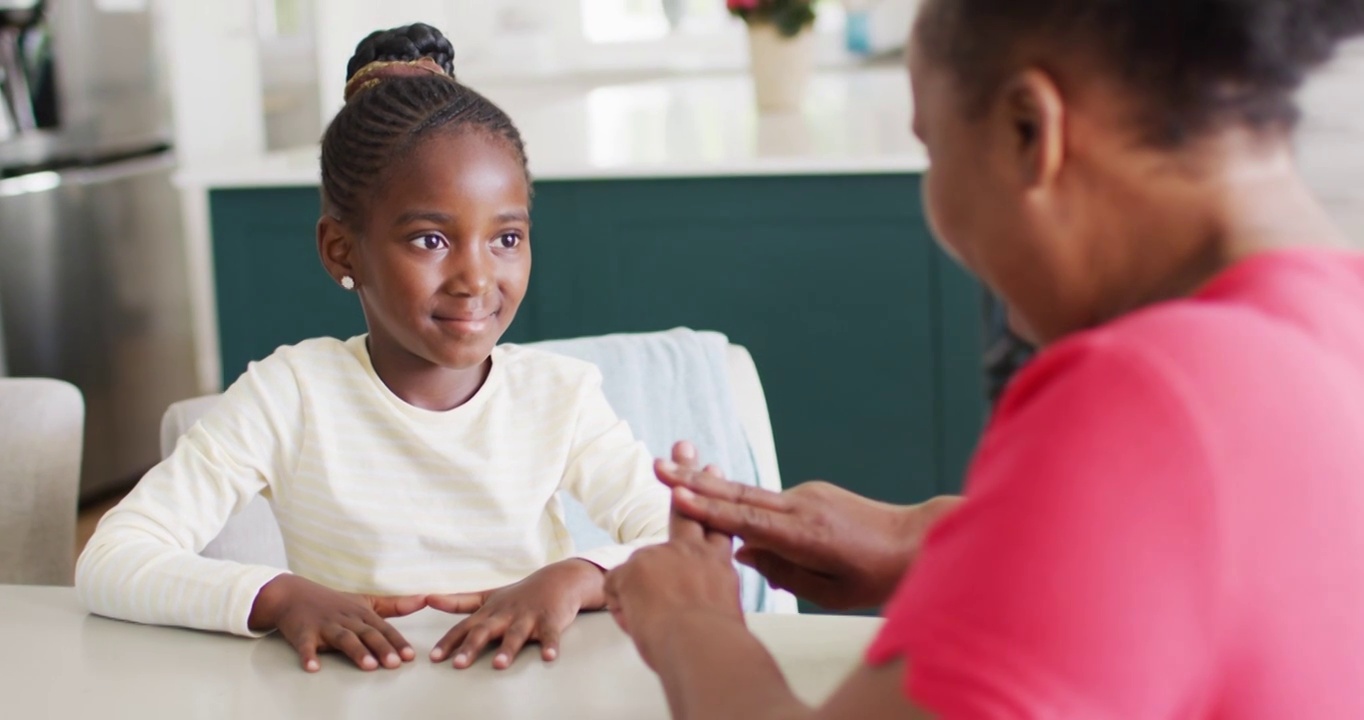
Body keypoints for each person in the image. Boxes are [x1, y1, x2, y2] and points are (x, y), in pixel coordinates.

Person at [604, 0, 1364, 717]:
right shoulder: (1335, 318)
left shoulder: (1149, 393)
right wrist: (924, 541)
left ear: (1029, 130)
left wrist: (688, 621)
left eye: (932, 149)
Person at [77, 23, 669, 674]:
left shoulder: (560, 397)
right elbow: (112, 559)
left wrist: (577, 578)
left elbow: (684, 544)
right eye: (430, 240)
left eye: (505, 239)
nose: (476, 280)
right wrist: (278, 596)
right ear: (341, 251)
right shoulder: (291, 395)